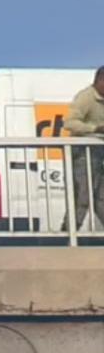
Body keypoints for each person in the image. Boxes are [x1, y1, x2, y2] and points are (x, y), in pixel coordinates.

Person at [61, 67, 104, 233]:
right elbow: (69, 123)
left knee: (101, 198)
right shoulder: (86, 98)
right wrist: (95, 129)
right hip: (83, 155)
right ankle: (68, 233)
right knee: (82, 196)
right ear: (100, 80)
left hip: (99, 155)